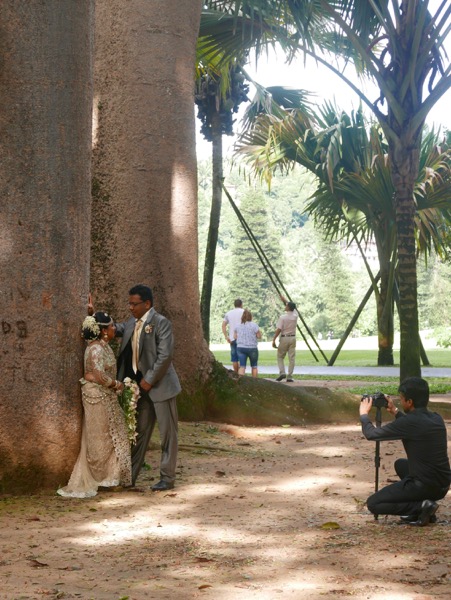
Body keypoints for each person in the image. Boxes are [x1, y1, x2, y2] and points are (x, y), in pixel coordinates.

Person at [57, 312, 132, 498]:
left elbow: (94, 375)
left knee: (109, 435)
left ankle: (111, 476)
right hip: (97, 396)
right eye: (112, 326)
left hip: (103, 393)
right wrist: (117, 385)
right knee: (100, 437)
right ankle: (102, 477)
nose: (115, 329)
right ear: (104, 331)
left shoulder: (101, 346)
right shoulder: (96, 349)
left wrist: (91, 311)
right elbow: (97, 376)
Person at [115, 284, 181, 491]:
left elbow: (165, 355)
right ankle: (129, 477)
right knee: (139, 432)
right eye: (129, 303)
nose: (130, 307)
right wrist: (92, 316)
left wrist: (150, 379)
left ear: (147, 304)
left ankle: (167, 478)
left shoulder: (161, 323)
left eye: (134, 304)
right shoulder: (130, 324)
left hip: (161, 388)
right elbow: (113, 328)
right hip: (139, 391)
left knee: (168, 434)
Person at [359, 377, 451, 526]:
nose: (400, 402)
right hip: (442, 485)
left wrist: (364, 415)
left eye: (401, 399)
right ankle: (424, 509)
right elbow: (414, 425)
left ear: (409, 402)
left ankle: (422, 507)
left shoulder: (408, 423)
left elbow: (372, 434)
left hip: (424, 485)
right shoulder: (436, 418)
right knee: (400, 464)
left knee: (373, 503)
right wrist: (395, 411)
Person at [272, 295, 298, 383]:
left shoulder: (282, 317)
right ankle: (290, 376)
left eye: (286, 305)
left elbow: (279, 329)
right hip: (293, 337)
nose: (285, 306)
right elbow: (292, 306)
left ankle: (282, 372)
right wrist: (284, 300)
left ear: (288, 307)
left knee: (280, 356)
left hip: (284, 338)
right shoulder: (295, 315)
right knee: (292, 358)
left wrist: (274, 339)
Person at [234, 309, 262, 377]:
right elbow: (259, 336)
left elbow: (235, 337)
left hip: (241, 347)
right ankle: (254, 382)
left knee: (242, 366)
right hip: (252, 348)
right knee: (254, 366)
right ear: (250, 317)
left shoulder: (237, 326)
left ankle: (240, 382)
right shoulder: (254, 325)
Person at [222, 299, 244, 373]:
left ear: (234, 305)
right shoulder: (244, 312)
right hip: (242, 338)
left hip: (232, 338)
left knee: (234, 359)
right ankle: (241, 374)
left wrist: (226, 336)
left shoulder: (229, 313)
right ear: (241, 304)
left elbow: (223, 325)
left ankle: (236, 374)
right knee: (242, 358)